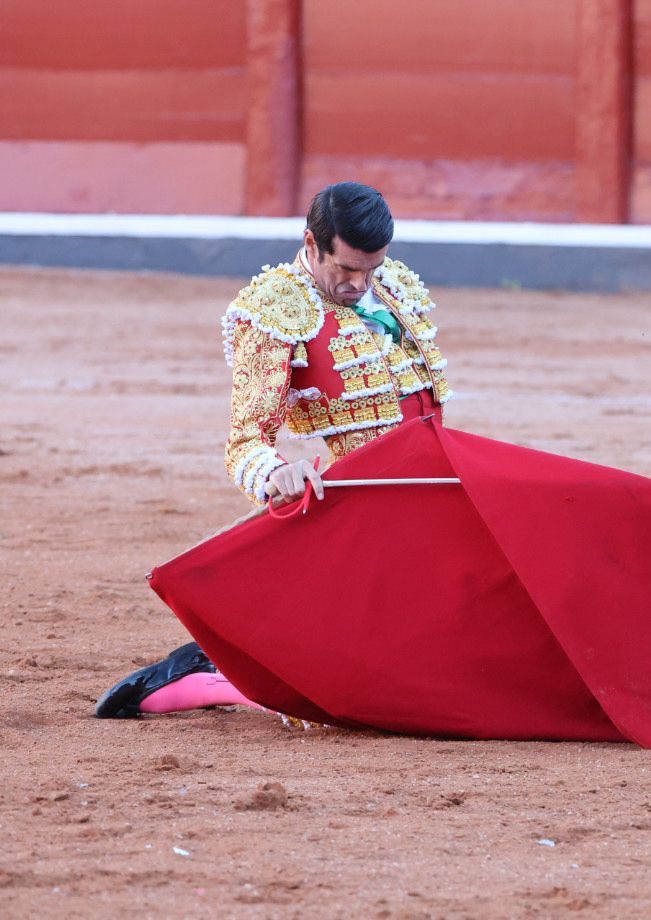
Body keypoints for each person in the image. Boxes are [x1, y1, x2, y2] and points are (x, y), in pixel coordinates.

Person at [94, 182, 454, 719]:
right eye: (347, 270)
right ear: (312, 242)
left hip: (432, 496)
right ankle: (212, 676)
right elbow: (245, 442)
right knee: (357, 691)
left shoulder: (396, 286)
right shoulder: (276, 310)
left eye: (370, 270)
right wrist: (277, 475)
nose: (360, 284)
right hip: (364, 510)